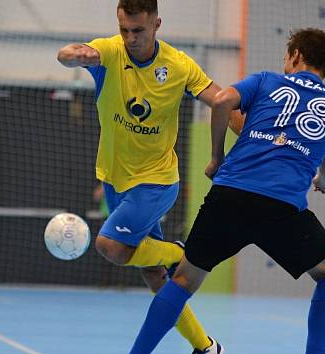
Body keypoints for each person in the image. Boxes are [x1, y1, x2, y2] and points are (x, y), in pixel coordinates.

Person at [129, 28, 325, 354]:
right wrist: (321, 182)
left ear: (296, 56)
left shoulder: (266, 80)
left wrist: (216, 157)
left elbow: (221, 101)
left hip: (229, 197)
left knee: (182, 281)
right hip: (282, 209)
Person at [56, 1, 229, 353]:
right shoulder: (108, 52)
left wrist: (248, 139)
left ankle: (181, 252)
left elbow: (221, 99)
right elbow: (66, 54)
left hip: (156, 181)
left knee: (110, 246)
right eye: (124, 30)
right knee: (154, 275)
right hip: (114, 179)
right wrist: (76, 55)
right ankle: (207, 347)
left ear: (156, 24)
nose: (130, 38)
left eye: (138, 30)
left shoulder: (179, 66)